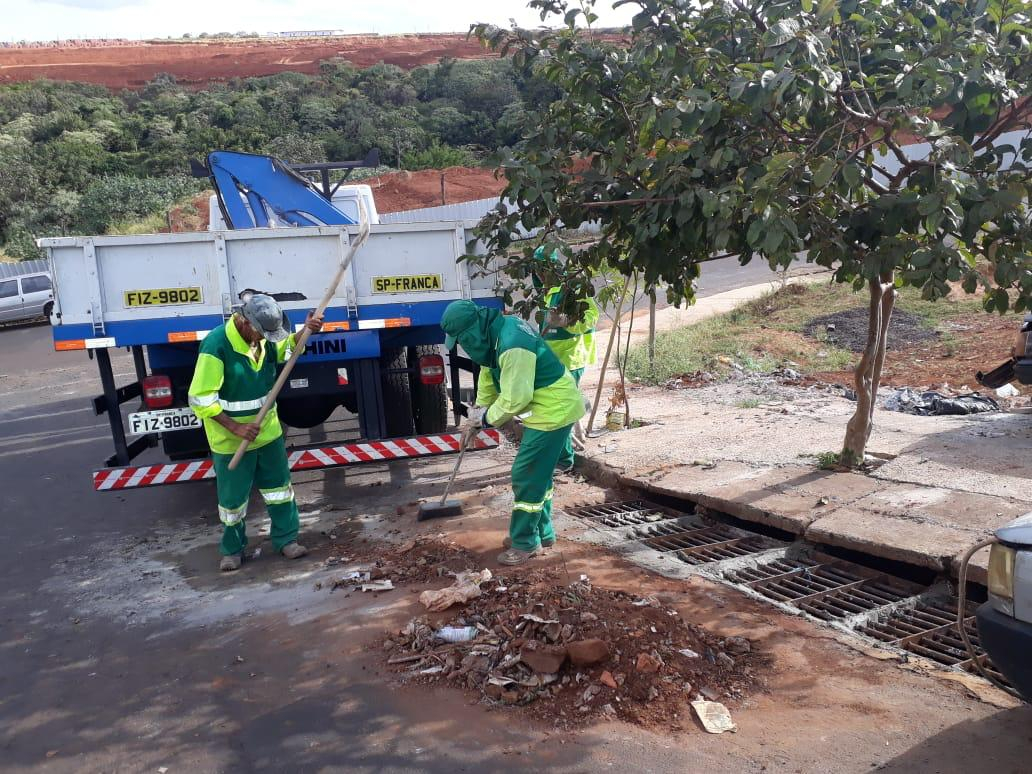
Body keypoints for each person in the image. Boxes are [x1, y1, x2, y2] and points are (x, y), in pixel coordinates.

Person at [441, 300, 585, 566]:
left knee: (526, 475)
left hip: (554, 408)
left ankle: (525, 542)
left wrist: (485, 420)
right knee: (537, 474)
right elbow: (489, 371)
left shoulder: (512, 343)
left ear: (471, 331)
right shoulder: (495, 332)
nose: (464, 346)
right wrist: (477, 413)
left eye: (462, 340)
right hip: (548, 406)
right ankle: (543, 533)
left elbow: (516, 398)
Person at [188, 293, 323, 572]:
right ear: (244, 322)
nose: (264, 339)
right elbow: (201, 398)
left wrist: (305, 333)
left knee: (279, 491)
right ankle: (232, 550)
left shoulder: (261, 342)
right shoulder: (217, 346)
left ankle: (287, 539)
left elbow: (286, 350)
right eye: (262, 333)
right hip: (230, 441)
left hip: (268, 433)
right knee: (232, 501)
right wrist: (235, 427)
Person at [534, 249, 599, 471]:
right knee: (562, 406)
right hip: (553, 360)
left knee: (558, 409)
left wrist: (566, 321)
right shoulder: (548, 290)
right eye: (536, 271)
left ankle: (563, 460)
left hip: (571, 358)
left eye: (543, 270)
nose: (540, 275)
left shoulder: (573, 287)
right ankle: (569, 444)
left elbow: (590, 318)